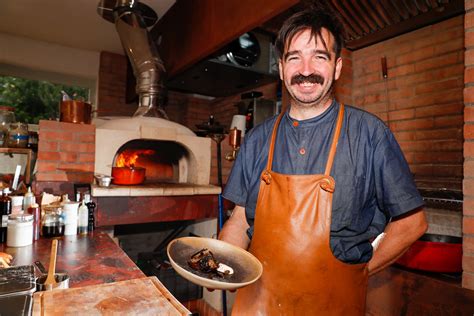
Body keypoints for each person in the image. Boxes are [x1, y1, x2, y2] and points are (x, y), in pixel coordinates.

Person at [219, 7, 428, 315]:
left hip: (334, 302)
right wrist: (221, 268)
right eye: (294, 57)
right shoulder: (256, 139)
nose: (306, 69)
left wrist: (359, 272)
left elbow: (412, 223)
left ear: (337, 66)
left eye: (319, 56)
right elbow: (239, 221)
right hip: (258, 301)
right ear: (281, 68)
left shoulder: (369, 134)